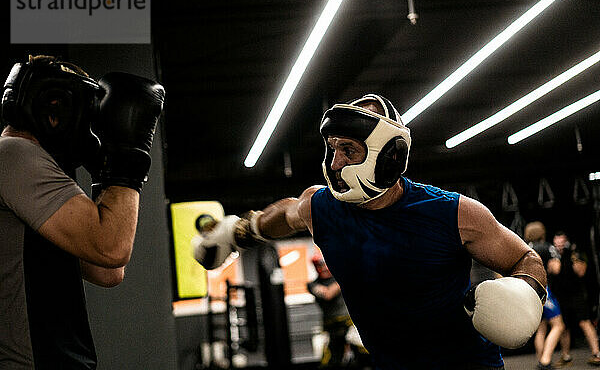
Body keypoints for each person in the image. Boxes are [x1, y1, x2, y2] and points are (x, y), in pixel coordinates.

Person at [193, 94, 548, 369]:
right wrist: (237, 231)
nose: (335, 164)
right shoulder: (322, 209)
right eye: (333, 149)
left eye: (349, 150)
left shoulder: (453, 213)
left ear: (388, 155)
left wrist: (525, 292)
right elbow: (284, 214)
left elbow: (524, 257)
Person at [0, 55, 164, 369]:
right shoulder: (14, 155)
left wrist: (106, 173)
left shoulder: (32, 171)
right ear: (56, 112)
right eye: (87, 116)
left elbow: (107, 270)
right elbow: (112, 248)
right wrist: (128, 159)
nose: (90, 130)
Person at [551, 231, 600, 367]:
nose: (559, 245)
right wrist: (558, 255)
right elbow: (555, 269)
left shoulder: (575, 253)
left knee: (584, 322)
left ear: (566, 242)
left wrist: (572, 257)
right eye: (557, 242)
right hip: (561, 295)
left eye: (562, 242)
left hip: (577, 294)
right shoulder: (553, 255)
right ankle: (566, 357)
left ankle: (596, 353)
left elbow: (581, 271)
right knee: (563, 326)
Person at [308, 247, 359, 368]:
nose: (323, 268)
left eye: (325, 264)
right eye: (320, 265)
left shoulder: (341, 276)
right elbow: (327, 294)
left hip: (349, 322)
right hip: (331, 325)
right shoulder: (313, 284)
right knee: (330, 359)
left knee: (362, 352)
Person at [524, 221, 565, 370]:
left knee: (541, 328)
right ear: (542, 233)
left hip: (528, 292)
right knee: (558, 325)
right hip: (543, 291)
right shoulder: (547, 247)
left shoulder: (524, 248)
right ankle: (546, 361)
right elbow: (557, 268)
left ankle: (541, 360)